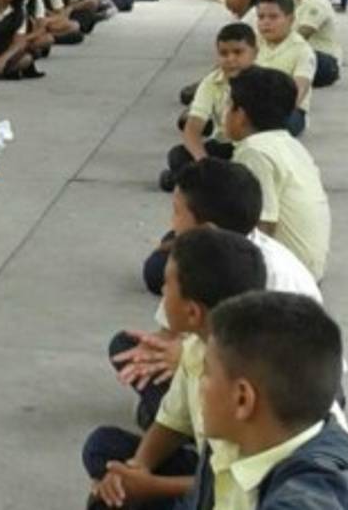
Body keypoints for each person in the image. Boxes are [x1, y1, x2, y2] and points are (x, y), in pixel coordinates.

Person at [117, 159, 327, 432]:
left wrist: (188, 357)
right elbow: (169, 332)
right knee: (127, 347)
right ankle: (180, 420)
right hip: (219, 365)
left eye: (176, 212)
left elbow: (264, 369)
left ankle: (192, 433)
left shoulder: (269, 276)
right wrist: (164, 351)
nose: (171, 223)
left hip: (286, 396)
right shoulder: (204, 255)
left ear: (208, 229)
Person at [83, 228, 266, 510]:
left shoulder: (241, 386)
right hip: (207, 468)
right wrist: (136, 468)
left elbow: (231, 484)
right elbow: (172, 421)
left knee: (113, 500)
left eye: (167, 286)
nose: (163, 292)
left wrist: (150, 487)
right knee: (102, 450)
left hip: (229, 495)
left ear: (193, 312)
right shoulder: (196, 345)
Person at [188, 292, 348, 510]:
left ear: (242, 399)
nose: (200, 384)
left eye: (207, 372)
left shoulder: (311, 496)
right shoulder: (232, 442)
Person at [228, 67, 331, 280]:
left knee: (166, 266)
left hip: (286, 277)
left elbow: (263, 224)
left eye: (229, 105)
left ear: (241, 116)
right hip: (308, 269)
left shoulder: (254, 152)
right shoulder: (289, 144)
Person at [159, 23, 256, 192]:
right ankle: (214, 180)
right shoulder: (212, 81)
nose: (230, 59)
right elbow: (192, 129)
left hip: (254, 148)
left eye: (238, 52)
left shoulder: (265, 81)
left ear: (255, 53)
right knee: (178, 155)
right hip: (224, 146)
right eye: (223, 53)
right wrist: (203, 162)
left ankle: (196, 182)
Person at [254, 0, 315, 136]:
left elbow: (299, 90)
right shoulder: (253, 43)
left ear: (291, 19)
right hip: (252, 105)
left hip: (288, 111)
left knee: (273, 129)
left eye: (273, 17)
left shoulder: (302, 50)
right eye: (261, 17)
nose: (266, 22)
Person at [290, 0, 341, 88]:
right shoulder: (309, 2)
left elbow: (303, 34)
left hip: (324, 61)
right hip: (319, 59)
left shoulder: (315, 3)